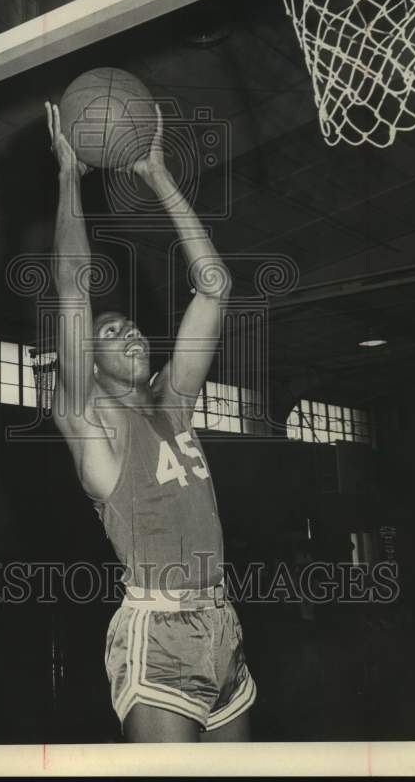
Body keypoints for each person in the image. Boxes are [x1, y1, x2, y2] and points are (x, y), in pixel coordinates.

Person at [46, 100, 255, 743]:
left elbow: (215, 285)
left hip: (223, 627)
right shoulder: (90, 414)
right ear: (90, 360)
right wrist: (68, 177)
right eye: (111, 332)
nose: (128, 329)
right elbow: (74, 291)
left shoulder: (174, 402)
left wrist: (158, 174)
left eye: (131, 323)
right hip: (159, 636)